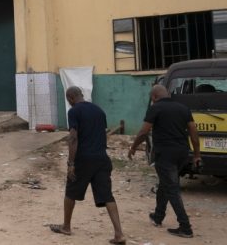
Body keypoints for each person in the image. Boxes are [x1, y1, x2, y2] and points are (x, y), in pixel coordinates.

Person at [48, 87, 125, 244]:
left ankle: (66, 227)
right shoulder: (99, 110)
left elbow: (73, 138)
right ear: (81, 95)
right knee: (107, 196)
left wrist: (71, 163)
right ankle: (119, 234)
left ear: (70, 98)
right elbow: (102, 134)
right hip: (102, 158)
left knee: (71, 192)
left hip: (83, 159)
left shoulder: (74, 112)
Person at [128, 85, 201, 239]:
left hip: (165, 154)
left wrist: (133, 147)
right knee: (165, 183)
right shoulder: (183, 108)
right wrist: (197, 155)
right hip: (182, 153)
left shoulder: (155, 108)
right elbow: (194, 133)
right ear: (167, 94)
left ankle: (185, 227)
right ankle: (158, 216)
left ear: (154, 97)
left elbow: (144, 131)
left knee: (171, 188)